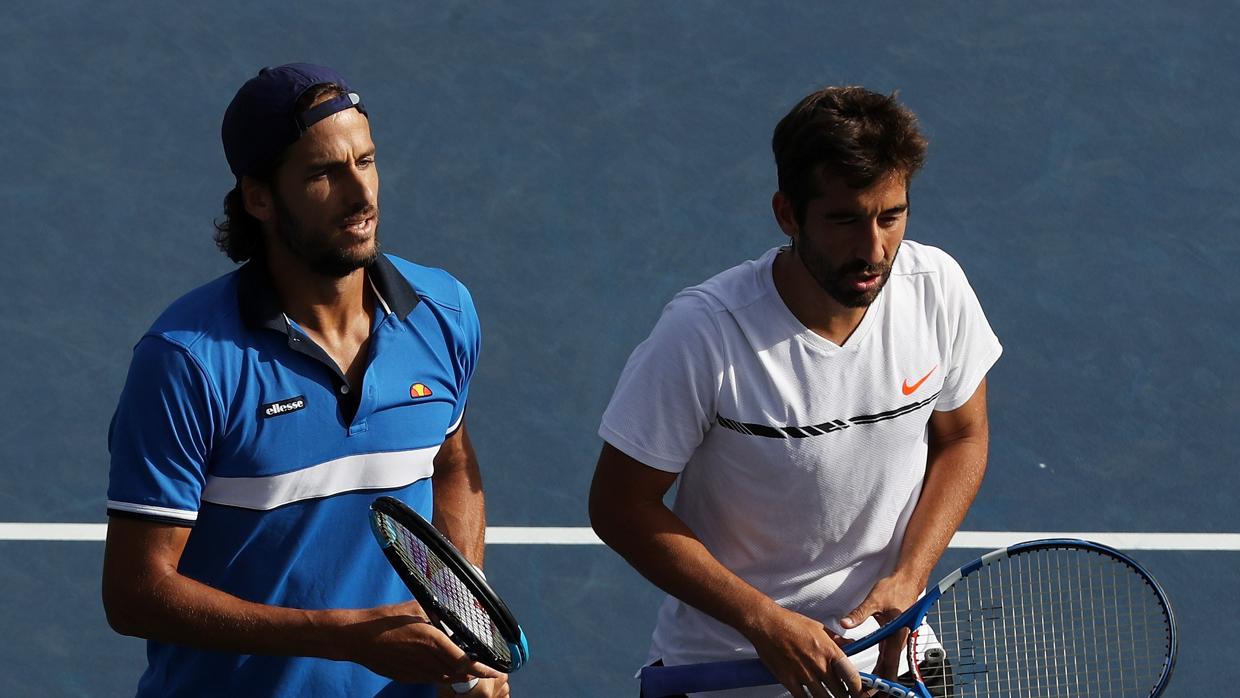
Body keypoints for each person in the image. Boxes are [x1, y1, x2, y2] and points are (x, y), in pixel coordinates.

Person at [102, 63, 508, 698]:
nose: (361, 194)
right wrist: (343, 636)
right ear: (260, 197)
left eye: (366, 161)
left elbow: (451, 464)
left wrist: (465, 620)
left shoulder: (444, 314)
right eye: (324, 174)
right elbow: (135, 594)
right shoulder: (188, 362)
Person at [589, 86, 1002, 698]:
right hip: (733, 662)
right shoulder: (705, 333)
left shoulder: (935, 288)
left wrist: (909, 578)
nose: (873, 249)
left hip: (889, 652)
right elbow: (620, 506)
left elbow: (962, 435)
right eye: (844, 219)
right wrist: (764, 621)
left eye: (891, 216)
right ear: (787, 214)